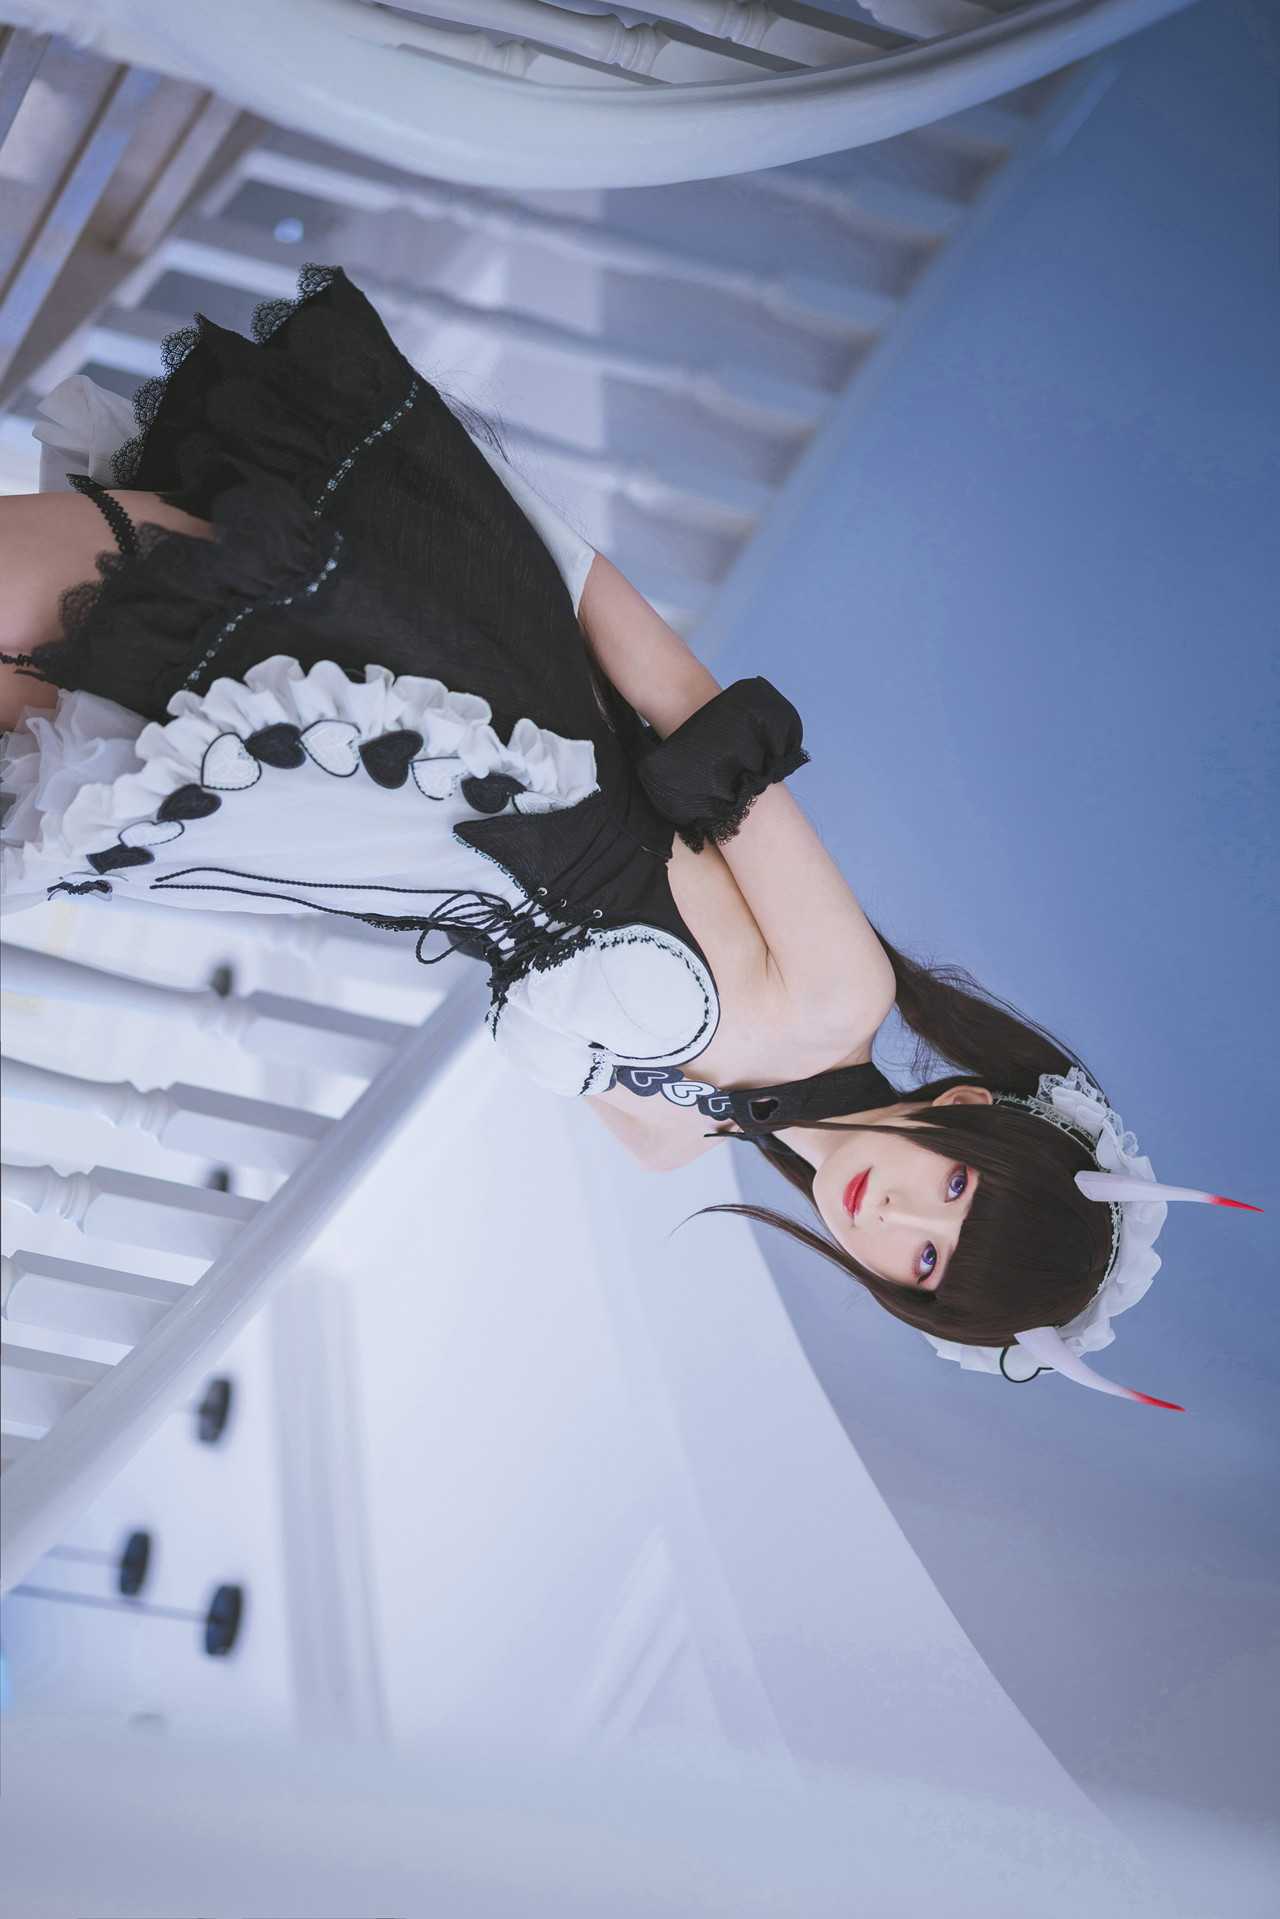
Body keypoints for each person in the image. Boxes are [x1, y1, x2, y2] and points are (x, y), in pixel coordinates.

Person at [0, 263, 1258, 1408]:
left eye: (925, 1262)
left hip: (335, 817)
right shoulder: (839, 993)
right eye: (956, 1187)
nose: (898, 1216)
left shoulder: (671, 1134)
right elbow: (689, 709)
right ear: (971, 1106)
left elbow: (529, 975)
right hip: (432, 677)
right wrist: (505, 533)